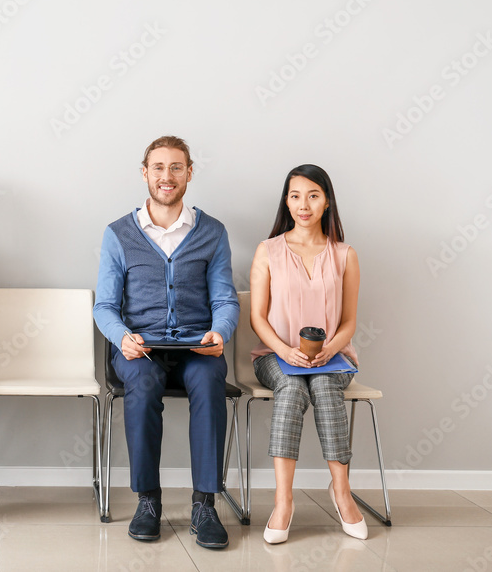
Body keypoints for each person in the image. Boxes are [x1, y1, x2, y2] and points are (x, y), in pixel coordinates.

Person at [94, 135, 239, 550]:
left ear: (190, 173)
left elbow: (225, 298)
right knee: (141, 385)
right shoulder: (118, 234)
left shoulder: (212, 233)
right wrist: (122, 338)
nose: (167, 176)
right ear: (145, 173)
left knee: (211, 382)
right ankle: (148, 500)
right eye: (158, 167)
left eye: (176, 167)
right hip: (139, 349)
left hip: (197, 348)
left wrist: (220, 332)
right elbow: (104, 305)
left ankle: (204, 504)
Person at [248, 164, 367, 543]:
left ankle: (341, 491)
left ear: (327, 202)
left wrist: (331, 347)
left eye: (313, 195)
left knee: (324, 387)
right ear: (287, 201)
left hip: (334, 357)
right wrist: (286, 350)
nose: (304, 204)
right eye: (296, 195)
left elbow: (349, 322)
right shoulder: (268, 251)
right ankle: (284, 501)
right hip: (274, 354)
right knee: (293, 389)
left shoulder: (345, 255)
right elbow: (257, 317)